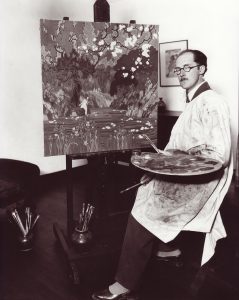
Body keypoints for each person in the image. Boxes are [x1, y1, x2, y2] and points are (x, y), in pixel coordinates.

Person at [91, 49, 233, 300]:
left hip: (204, 181)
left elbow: (217, 155)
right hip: (186, 172)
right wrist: (156, 169)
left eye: (187, 68)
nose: (181, 74)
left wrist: (170, 164)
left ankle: (123, 284)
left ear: (201, 69)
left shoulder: (212, 102)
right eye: (178, 69)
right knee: (145, 189)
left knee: (145, 210)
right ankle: (168, 249)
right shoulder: (194, 102)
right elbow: (181, 148)